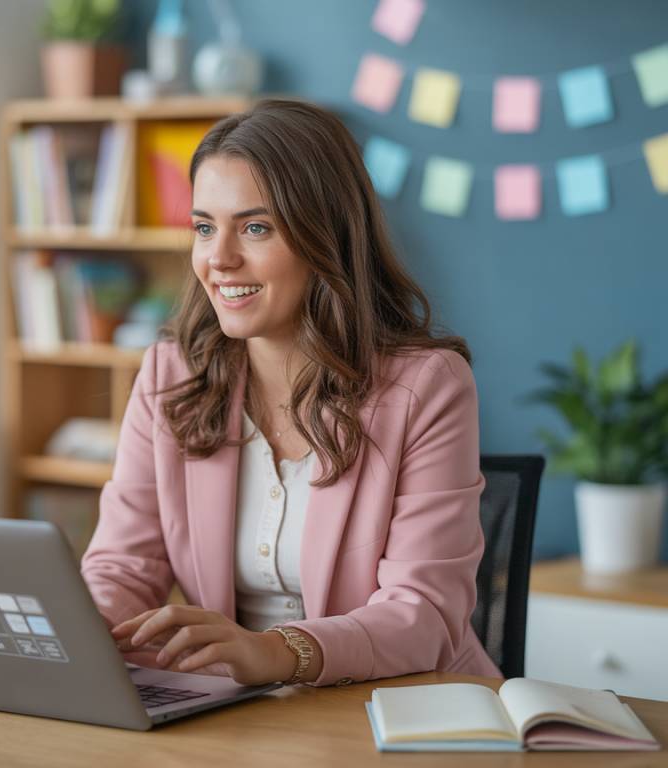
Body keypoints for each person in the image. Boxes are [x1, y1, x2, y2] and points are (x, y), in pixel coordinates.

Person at [80, 99, 502, 688]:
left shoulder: (427, 386)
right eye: (204, 227)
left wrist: (279, 653)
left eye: (255, 228)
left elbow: (425, 613)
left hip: (402, 710)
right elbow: (123, 566)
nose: (219, 259)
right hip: (241, 715)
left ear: (322, 235)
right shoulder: (169, 376)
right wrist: (85, 628)